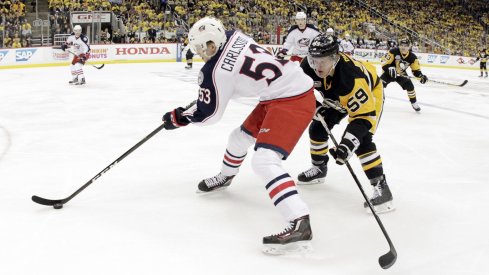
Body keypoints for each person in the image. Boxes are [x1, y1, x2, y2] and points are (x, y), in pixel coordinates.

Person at [162, 17, 316, 254]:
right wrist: (205, 100)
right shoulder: (235, 35)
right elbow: (237, 76)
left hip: (290, 98)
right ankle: (226, 177)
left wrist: (180, 117)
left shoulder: (215, 72)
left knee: (264, 161)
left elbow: (210, 116)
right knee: (238, 138)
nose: (201, 53)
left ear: (211, 45)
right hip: (281, 90)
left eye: (200, 48)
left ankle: (299, 220)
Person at [297, 34, 394, 214]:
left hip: (368, 92)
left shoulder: (351, 76)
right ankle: (319, 168)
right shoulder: (306, 66)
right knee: (318, 128)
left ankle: (381, 186)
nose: (317, 66)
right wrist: (315, 106)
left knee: (362, 141)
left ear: (334, 58)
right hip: (337, 95)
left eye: (323, 61)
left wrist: (347, 145)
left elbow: (363, 118)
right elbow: (301, 90)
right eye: (314, 60)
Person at [380, 37, 428, 112]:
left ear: (409, 46)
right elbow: (384, 62)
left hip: (401, 73)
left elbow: (416, 71)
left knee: (410, 86)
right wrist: (389, 68)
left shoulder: (413, 57)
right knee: (379, 84)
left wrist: (421, 76)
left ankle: (414, 102)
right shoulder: (393, 51)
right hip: (389, 72)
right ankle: (376, 99)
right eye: (402, 45)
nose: (403, 47)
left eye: (405, 46)